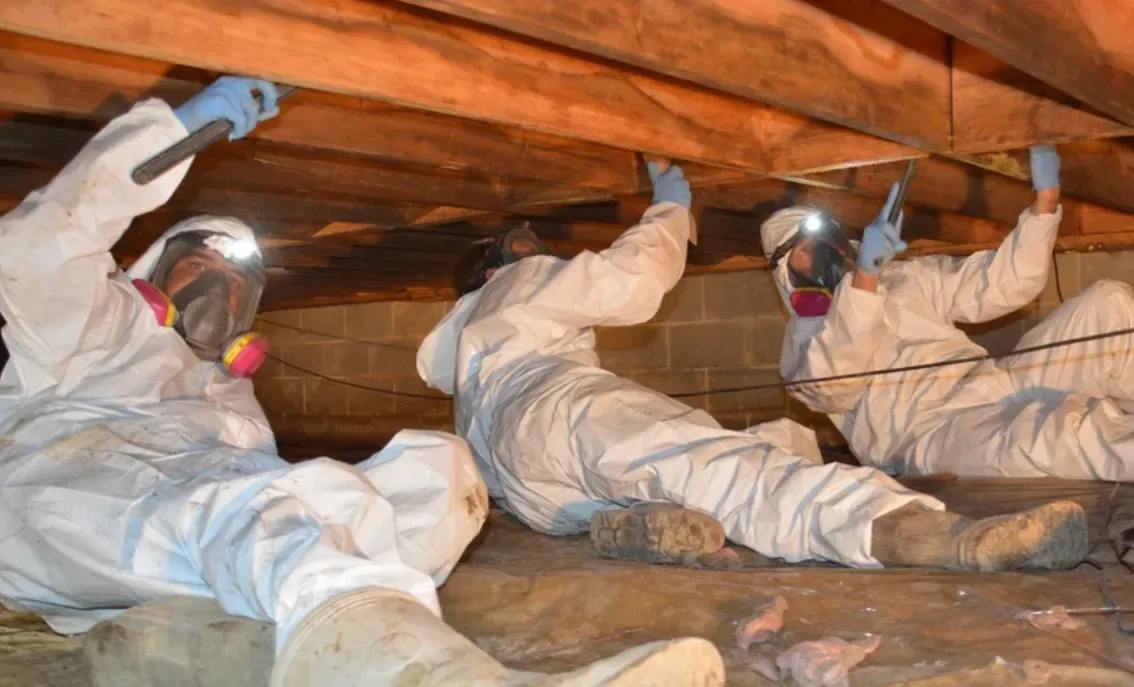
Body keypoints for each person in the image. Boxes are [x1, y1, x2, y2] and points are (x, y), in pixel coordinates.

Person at [0, 77, 727, 686]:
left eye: (238, 285)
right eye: (200, 268)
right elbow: (39, 242)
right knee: (271, 504)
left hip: (183, 537)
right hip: (64, 505)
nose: (219, 293)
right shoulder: (95, 324)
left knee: (437, 473)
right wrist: (181, 130)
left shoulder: (230, 397)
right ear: (152, 274)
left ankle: (343, 635)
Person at [417, 160, 1089, 577]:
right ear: (496, 268)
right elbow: (631, 281)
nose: (541, 256)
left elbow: (1003, 282)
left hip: (528, 489)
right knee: (723, 465)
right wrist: (671, 210)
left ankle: (626, 525)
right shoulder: (518, 286)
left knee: (765, 445)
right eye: (794, 257)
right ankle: (917, 532)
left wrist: (1043, 204)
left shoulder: (471, 364)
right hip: (557, 411)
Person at [763, 145, 1134, 482]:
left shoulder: (907, 277)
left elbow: (999, 284)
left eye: (820, 245)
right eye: (801, 253)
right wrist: (865, 279)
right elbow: (833, 386)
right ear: (786, 274)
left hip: (997, 383)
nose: (817, 259)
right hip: (932, 434)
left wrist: (1045, 202)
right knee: (1056, 435)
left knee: (1108, 303)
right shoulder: (802, 343)